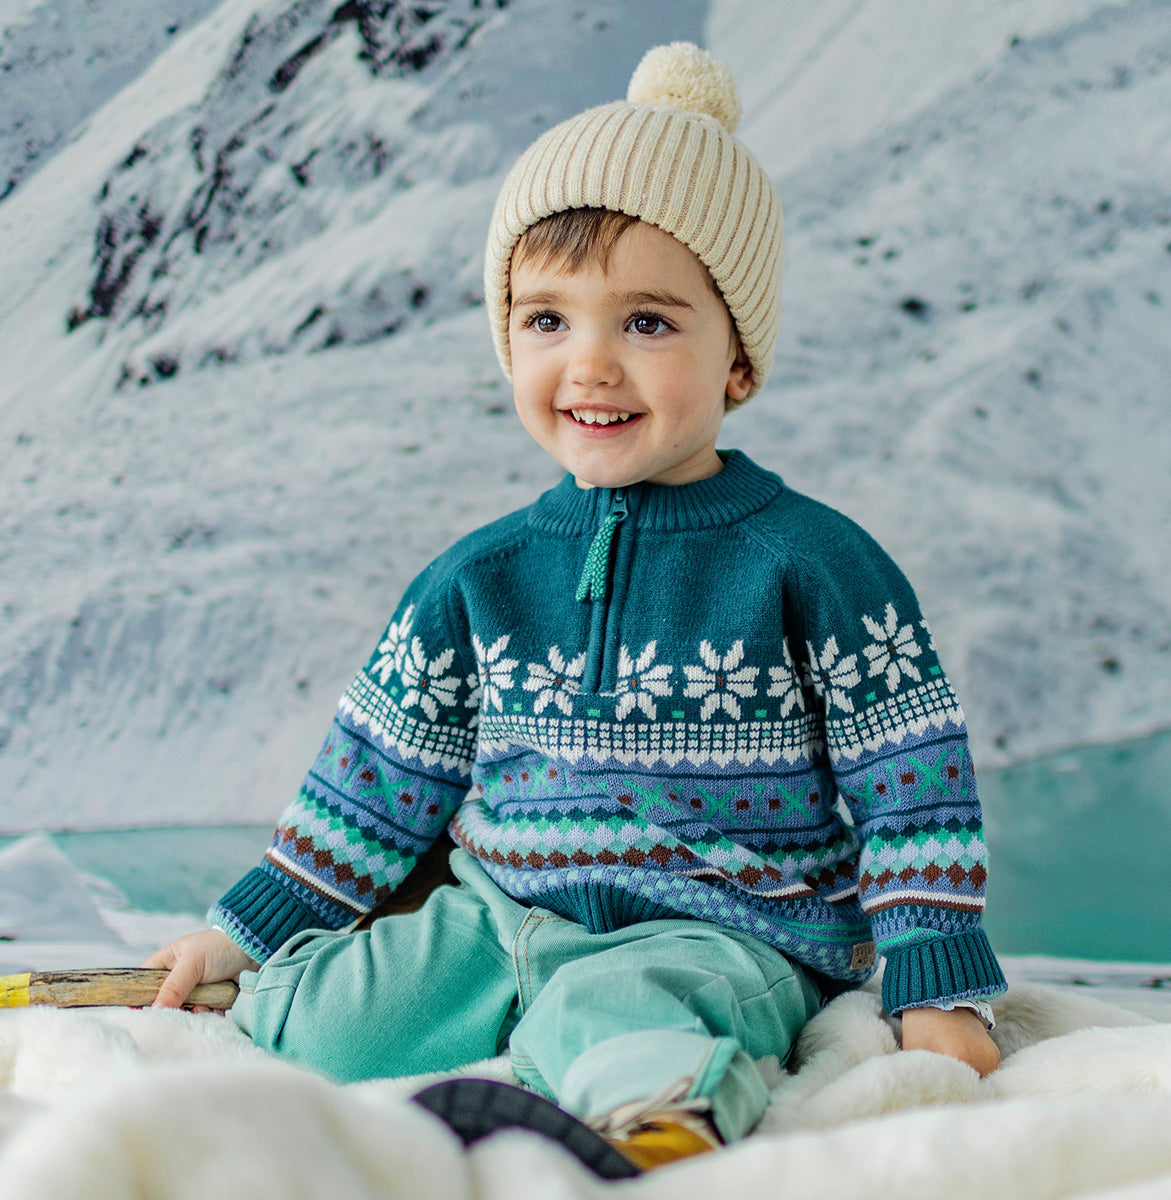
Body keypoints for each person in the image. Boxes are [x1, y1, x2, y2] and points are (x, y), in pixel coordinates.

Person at [146, 42, 1006, 1173]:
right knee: (321, 1023)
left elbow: (912, 790)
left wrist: (936, 977)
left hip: (721, 932)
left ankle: (663, 1117)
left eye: (646, 323)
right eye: (548, 321)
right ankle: (448, 1050)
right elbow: (374, 780)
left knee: (618, 1012)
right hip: (498, 915)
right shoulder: (480, 575)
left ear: (738, 359)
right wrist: (246, 931)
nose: (589, 364)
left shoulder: (812, 562)